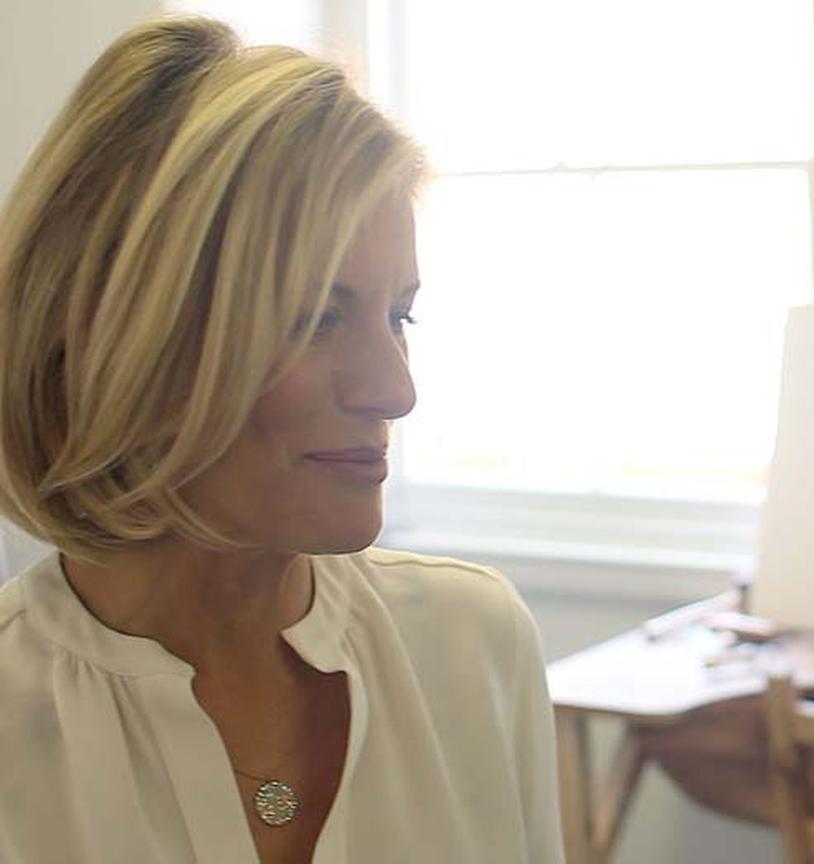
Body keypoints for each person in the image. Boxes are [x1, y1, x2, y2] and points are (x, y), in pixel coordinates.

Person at [0, 18, 562, 863]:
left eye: (399, 315)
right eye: (314, 317)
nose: (394, 391)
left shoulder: (471, 646)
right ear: (120, 337)